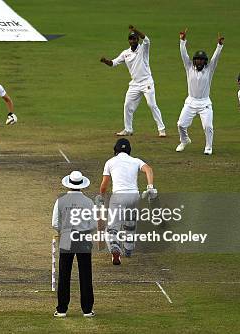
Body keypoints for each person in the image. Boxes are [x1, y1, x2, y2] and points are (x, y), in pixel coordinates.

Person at [96, 138, 157, 265]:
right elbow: (149, 169)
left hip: (118, 197)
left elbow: (104, 185)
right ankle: (128, 250)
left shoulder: (110, 162)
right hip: (134, 196)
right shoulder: (135, 161)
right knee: (130, 224)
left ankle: (115, 249)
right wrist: (150, 187)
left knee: (112, 228)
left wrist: (101, 196)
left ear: (115, 150)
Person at [100, 25, 166, 137]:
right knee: (127, 105)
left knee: (151, 104)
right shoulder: (125, 53)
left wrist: (135, 30)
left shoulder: (143, 49)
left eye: (134, 38)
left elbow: (147, 39)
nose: (132, 41)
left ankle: (161, 129)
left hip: (147, 82)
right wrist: (105, 61)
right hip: (135, 84)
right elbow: (113, 63)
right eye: (131, 39)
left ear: (137, 39)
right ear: (128, 41)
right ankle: (128, 129)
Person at [52, 171, 96, 318]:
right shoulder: (89, 202)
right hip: (83, 238)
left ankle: (62, 309)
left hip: (66, 237)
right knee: (85, 274)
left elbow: (55, 223)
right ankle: (87, 309)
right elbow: (93, 223)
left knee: (64, 274)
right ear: (81, 185)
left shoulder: (60, 201)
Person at [176, 28, 224, 155]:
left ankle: (208, 147)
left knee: (208, 126)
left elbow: (216, 58)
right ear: (194, 60)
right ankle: (184, 140)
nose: (199, 61)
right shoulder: (189, 67)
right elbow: (183, 55)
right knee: (181, 124)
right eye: (197, 59)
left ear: (205, 61)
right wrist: (182, 41)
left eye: (202, 60)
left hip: (204, 103)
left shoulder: (209, 69)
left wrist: (219, 45)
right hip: (190, 101)